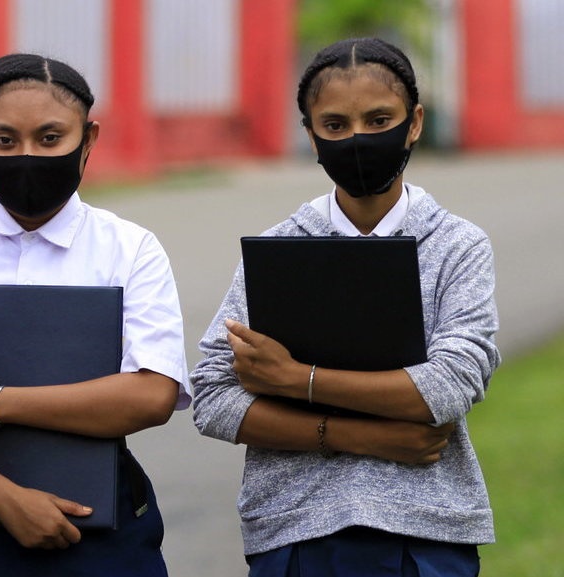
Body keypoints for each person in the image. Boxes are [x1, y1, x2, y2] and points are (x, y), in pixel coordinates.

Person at [189, 37, 500, 576]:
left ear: (416, 121)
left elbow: (449, 387)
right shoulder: (278, 249)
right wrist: (361, 435)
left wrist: (293, 378)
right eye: (335, 125)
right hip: (294, 531)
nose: (358, 139)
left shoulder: (457, 244)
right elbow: (212, 397)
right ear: (309, 134)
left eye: (380, 120)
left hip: (424, 531)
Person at [0, 53, 189, 576]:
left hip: (100, 527)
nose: (27, 156)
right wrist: (3, 497)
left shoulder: (129, 248)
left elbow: (152, 393)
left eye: (50, 139)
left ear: (88, 139)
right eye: (4, 141)